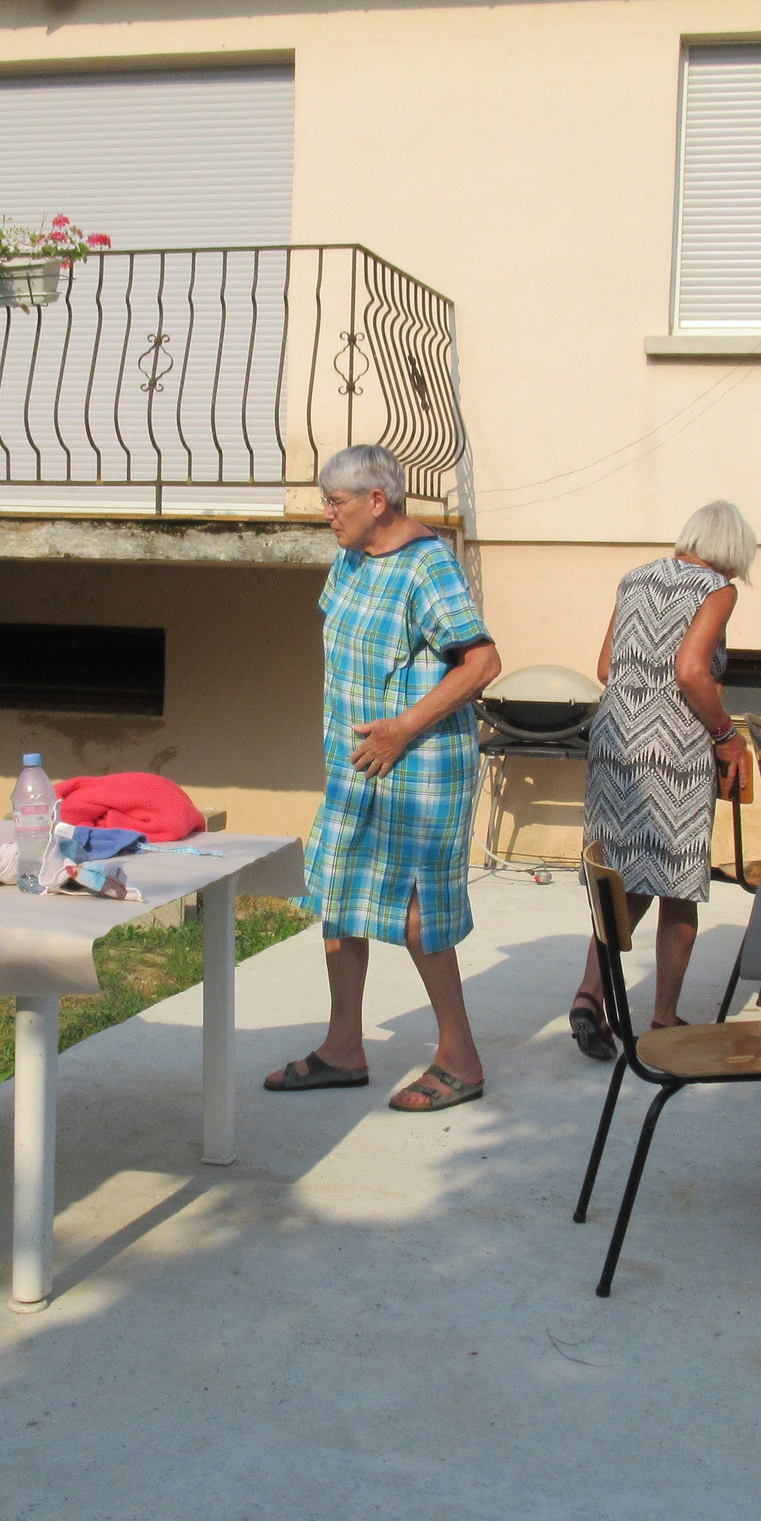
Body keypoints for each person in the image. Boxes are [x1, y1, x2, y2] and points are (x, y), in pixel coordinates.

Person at [265, 446, 503, 1113]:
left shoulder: (428, 565)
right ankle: (343, 1048)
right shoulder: (350, 558)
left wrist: (403, 727)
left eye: (335, 501)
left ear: (377, 501)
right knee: (338, 892)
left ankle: (460, 1060)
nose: (326, 513)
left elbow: (483, 663)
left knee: (420, 912)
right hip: (357, 765)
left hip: (419, 767)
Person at [569, 501, 756, 1053]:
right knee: (678, 885)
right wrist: (726, 735)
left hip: (614, 743)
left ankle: (588, 997)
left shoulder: (636, 578)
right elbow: (692, 671)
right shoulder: (717, 590)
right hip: (673, 748)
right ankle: (664, 1019)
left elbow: (606, 667)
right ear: (734, 549)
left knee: (620, 877)